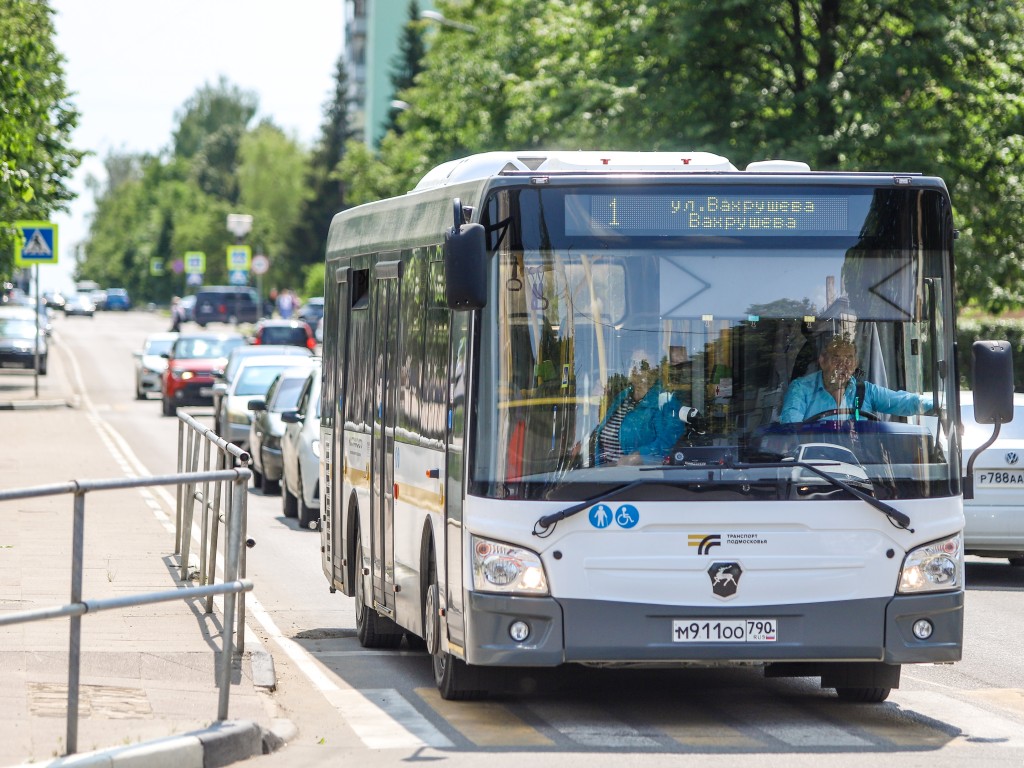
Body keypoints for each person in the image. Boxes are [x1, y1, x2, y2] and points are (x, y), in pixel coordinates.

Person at [779, 333, 932, 423]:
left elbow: (903, 401)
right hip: (813, 467)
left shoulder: (866, 391)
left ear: (855, 364)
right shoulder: (801, 389)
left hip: (859, 466)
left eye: (848, 359)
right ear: (822, 361)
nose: (843, 365)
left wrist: (939, 404)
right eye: (836, 358)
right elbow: (791, 431)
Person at [594, 349, 688, 465]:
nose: (635, 370)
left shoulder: (665, 402)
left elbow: (669, 443)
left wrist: (637, 458)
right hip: (604, 476)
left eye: (642, 365)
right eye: (632, 363)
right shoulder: (623, 396)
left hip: (640, 478)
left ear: (655, 369)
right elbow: (599, 426)